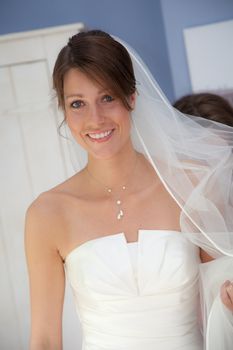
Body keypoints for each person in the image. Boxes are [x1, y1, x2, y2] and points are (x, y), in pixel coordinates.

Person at [24, 30, 233, 350]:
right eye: (78, 103)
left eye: (107, 97)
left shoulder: (188, 185)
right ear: (64, 111)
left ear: (132, 97)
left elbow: (221, 302)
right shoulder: (47, 214)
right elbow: (45, 340)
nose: (95, 119)